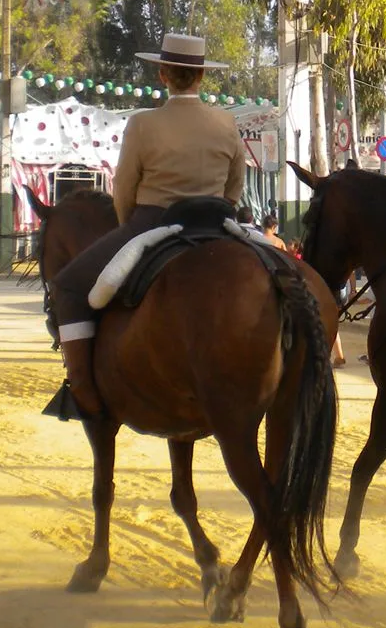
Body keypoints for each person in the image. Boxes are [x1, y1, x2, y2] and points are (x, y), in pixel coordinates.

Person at [50, 34, 246, 419]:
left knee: (68, 286)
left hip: (152, 222)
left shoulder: (142, 123)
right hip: (218, 222)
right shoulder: (226, 122)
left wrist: (129, 231)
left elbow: (124, 189)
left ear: (162, 75)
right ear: (202, 76)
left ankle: (84, 394)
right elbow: (234, 188)